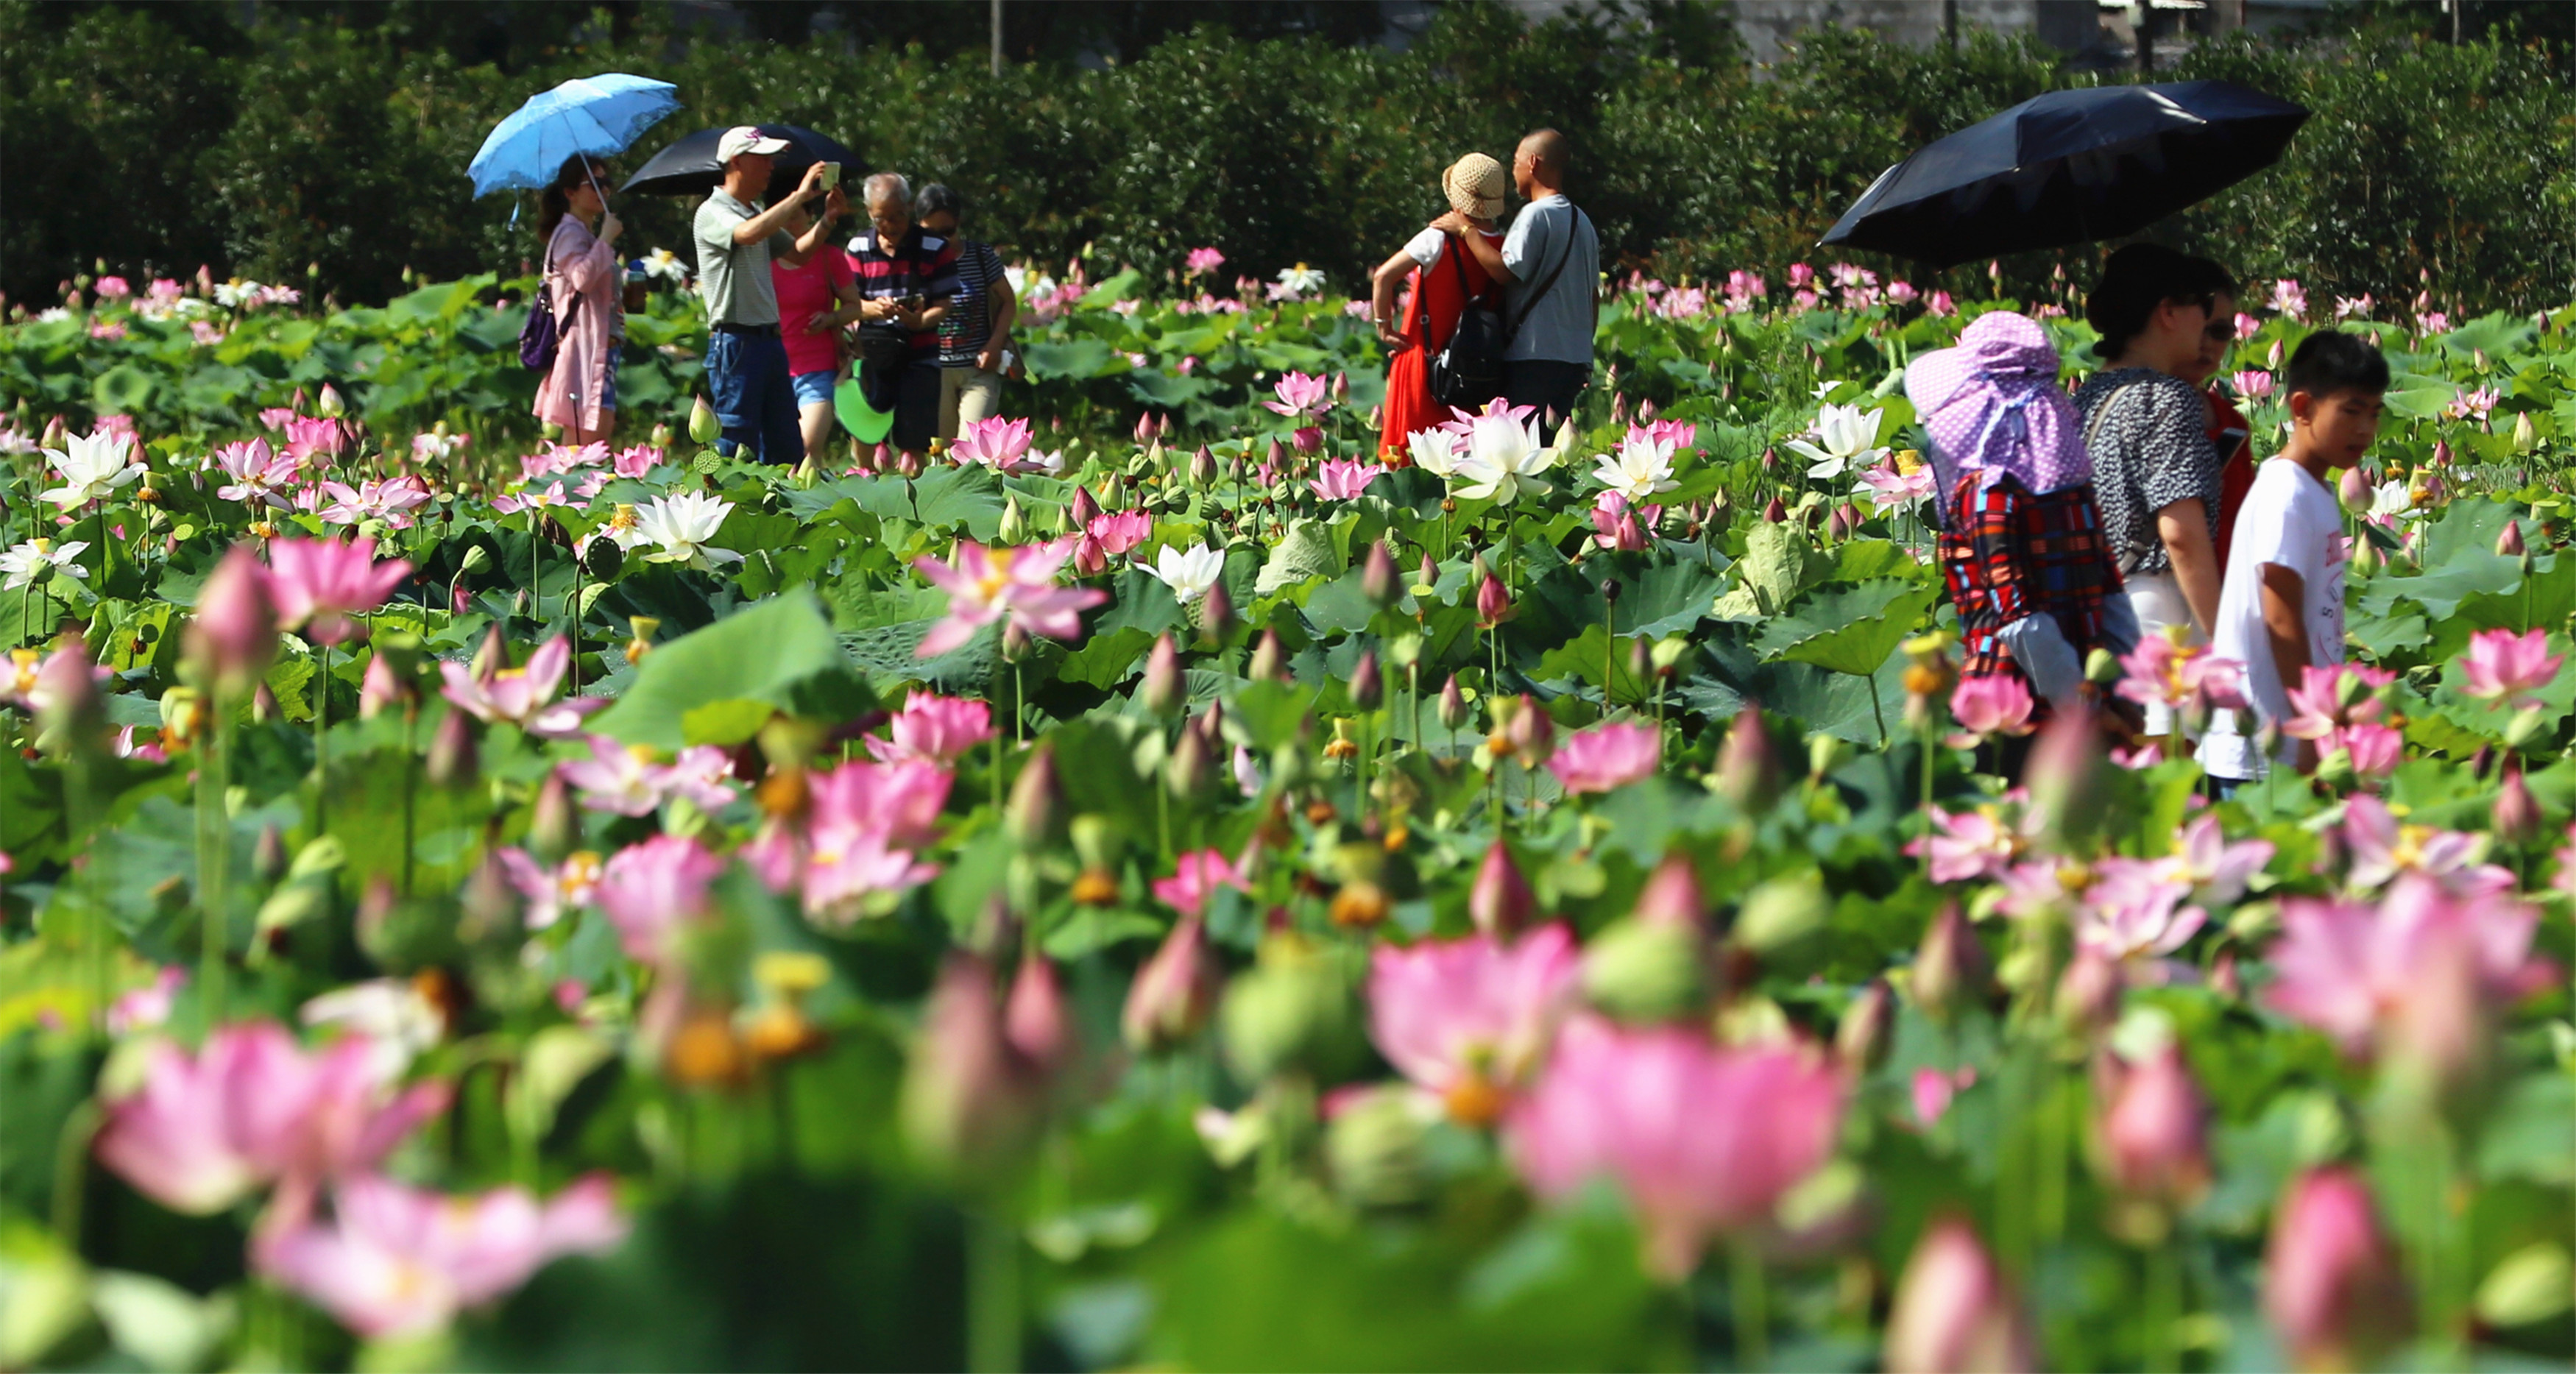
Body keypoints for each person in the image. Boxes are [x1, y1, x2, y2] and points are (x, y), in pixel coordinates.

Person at [1907, 311, 2139, 764]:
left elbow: (2018, 619)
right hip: (2090, 691)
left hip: (2013, 710)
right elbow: (2111, 594)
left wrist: (2084, 710)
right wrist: (2122, 693)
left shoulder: (1986, 496)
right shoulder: (2070, 485)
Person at [2198, 333, 2387, 787]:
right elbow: (2279, 619)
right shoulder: (2285, 495)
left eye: (2375, 414)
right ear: (2302, 408)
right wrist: (2314, 724)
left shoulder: (2314, 489)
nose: (2365, 430)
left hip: (2295, 728)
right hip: (2264, 738)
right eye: (2352, 411)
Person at [2072, 244, 2234, 737]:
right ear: (2168, 312)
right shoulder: (2166, 399)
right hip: (2159, 613)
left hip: (2097, 606)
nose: (2206, 326)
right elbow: (2180, 535)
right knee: (2172, 779)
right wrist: (2227, 639)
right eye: (2200, 312)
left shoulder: (2084, 395)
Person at [693, 126, 846, 464]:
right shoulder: (713, 211)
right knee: (737, 441)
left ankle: (780, 513)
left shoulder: (751, 212)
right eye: (763, 158)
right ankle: (731, 511)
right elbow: (746, 235)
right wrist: (799, 197)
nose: (771, 166)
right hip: (736, 341)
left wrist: (827, 220)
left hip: (769, 341)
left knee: (785, 442)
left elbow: (798, 253)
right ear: (736, 162)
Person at [1434, 127, 1598, 428]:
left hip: (1535, 357)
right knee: (1552, 453)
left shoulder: (1536, 215)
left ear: (1533, 162)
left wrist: (1466, 230)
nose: (1514, 171)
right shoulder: (1582, 221)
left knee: (1525, 447)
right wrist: (1584, 353)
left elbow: (1504, 270)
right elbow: (1593, 298)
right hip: (1574, 360)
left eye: (1515, 162)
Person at [1371, 152, 1507, 459]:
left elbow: (1383, 277)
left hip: (1424, 364)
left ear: (1456, 199)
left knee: (1406, 464)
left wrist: (1385, 328)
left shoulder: (1436, 239)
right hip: (1479, 371)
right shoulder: (1503, 247)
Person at [845, 172, 958, 456]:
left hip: (920, 356)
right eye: (881, 218)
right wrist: (872, 309)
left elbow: (944, 306)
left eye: (897, 216)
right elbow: (848, 304)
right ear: (869, 212)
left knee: (914, 440)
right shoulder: (858, 247)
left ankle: (910, 491)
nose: (890, 225)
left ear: (909, 208)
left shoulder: (935, 247)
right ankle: (866, 485)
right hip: (871, 354)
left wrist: (918, 320)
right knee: (864, 431)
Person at [533, 155, 623, 447]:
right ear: (570, 193)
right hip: (583, 351)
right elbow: (581, 277)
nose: (604, 191)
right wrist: (606, 239)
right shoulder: (569, 233)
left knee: (596, 440)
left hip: (600, 348)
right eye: (594, 184)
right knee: (586, 447)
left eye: (607, 183)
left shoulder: (582, 234)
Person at [915, 183, 1016, 443]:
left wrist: (994, 346)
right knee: (941, 454)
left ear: (959, 223)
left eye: (947, 231)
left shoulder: (980, 256)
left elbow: (1008, 301)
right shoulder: (915, 261)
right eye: (931, 233)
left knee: (972, 450)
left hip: (978, 369)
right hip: (934, 371)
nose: (940, 240)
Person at [771, 196, 863, 463]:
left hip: (818, 367)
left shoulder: (829, 257)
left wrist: (831, 318)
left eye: (795, 216)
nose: (788, 223)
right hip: (774, 368)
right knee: (778, 459)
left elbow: (854, 307)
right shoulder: (761, 259)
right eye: (782, 216)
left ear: (811, 216)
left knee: (805, 447)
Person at [2182, 284, 2256, 570]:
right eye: (2198, 327)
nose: (2207, 342)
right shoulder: (2145, 413)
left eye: (2221, 332)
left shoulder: (2233, 422)